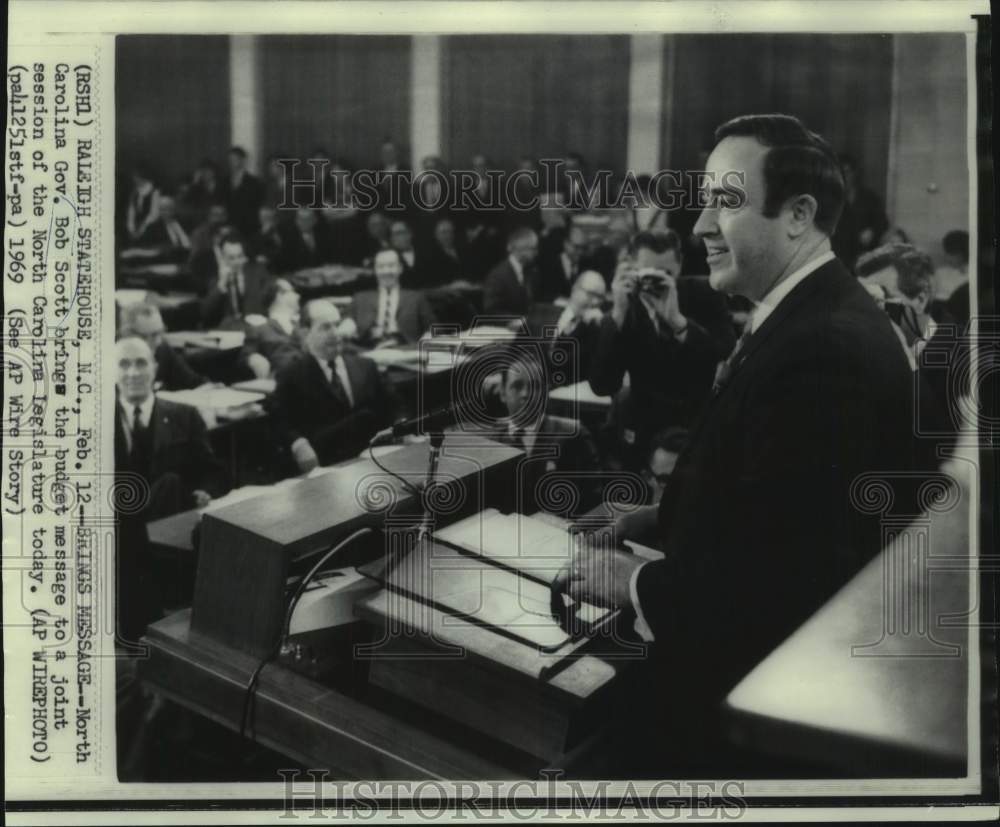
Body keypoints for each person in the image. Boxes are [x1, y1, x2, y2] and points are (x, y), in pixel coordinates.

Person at [561, 114, 917, 776]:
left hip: (740, 720)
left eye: (724, 201)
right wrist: (652, 519)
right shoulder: (809, 314)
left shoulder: (827, 349)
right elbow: (767, 506)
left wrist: (631, 577)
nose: (699, 226)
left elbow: (784, 588)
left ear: (798, 215)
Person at [588, 229, 725, 467]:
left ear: (680, 265)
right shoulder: (625, 309)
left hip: (694, 432)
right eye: (647, 274)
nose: (655, 283)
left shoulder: (705, 294)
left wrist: (678, 322)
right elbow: (602, 385)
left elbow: (724, 356)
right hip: (642, 432)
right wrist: (617, 314)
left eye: (665, 273)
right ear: (631, 267)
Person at [271, 299, 400, 472]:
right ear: (304, 332)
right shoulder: (292, 375)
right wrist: (298, 444)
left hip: (374, 462)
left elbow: (393, 406)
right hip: (326, 467)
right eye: (325, 327)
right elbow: (282, 421)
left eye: (337, 325)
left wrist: (404, 427)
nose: (335, 333)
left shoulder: (365, 366)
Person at [856, 242, 966, 441]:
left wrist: (906, 362)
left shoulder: (964, 357)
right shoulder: (860, 352)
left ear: (921, 299)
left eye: (879, 300)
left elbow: (943, 444)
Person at [114, 337, 225, 520]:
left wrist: (205, 491)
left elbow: (212, 471)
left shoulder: (185, 416)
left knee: (170, 482)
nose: (133, 373)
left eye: (141, 364)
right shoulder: (97, 425)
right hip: (119, 533)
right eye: (124, 365)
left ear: (155, 368)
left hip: (171, 526)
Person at [492, 351, 600, 515]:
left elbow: (592, 499)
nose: (526, 394)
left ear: (545, 392)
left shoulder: (572, 435)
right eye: (517, 386)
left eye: (535, 386)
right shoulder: (492, 441)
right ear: (502, 393)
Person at [350, 249, 436, 346]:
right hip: (367, 351)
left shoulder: (416, 298)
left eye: (391, 266)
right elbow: (347, 325)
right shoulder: (360, 298)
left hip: (405, 351)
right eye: (381, 267)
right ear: (375, 270)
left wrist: (424, 342)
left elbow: (432, 329)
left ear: (400, 268)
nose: (386, 271)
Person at [119, 302, 207, 391]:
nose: (158, 341)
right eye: (152, 335)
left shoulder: (162, 349)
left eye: (160, 332)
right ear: (127, 334)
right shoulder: (110, 362)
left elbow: (194, 382)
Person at [197, 232, 273, 329]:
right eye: (231, 258)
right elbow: (205, 313)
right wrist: (221, 285)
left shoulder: (258, 273)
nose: (237, 262)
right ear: (222, 259)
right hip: (227, 333)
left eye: (240, 256)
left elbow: (271, 298)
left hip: (254, 330)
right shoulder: (216, 279)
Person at [240, 277, 304, 378]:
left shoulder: (302, 323)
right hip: (284, 380)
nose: (298, 296)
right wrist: (253, 358)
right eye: (293, 292)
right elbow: (245, 356)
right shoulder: (260, 326)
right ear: (279, 295)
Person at [482, 226, 540, 316]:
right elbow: (490, 310)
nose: (537, 253)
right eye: (533, 249)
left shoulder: (531, 271)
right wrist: (515, 320)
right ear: (521, 249)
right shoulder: (497, 275)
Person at [220, 146, 265, 237]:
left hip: (248, 228)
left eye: (234, 159)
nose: (231, 163)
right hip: (228, 226)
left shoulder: (254, 182)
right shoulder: (224, 181)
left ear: (242, 160)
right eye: (230, 160)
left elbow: (256, 206)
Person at [124, 164, 161, 244]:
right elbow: (131, 211)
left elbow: (153, 214)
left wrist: (142, 228)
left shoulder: (154, 191)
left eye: (137, 177)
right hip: (137, 225)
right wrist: (131, 228)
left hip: (150, 226)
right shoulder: (135, 192)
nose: (134, 180)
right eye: (134, 177)